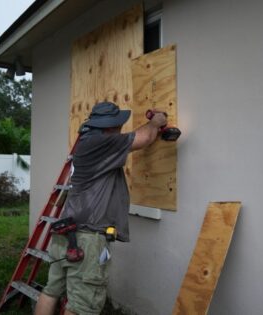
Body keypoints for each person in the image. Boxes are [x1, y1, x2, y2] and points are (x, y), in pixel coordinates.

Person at [35, 102, 167, 315]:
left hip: (65, 233)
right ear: (108, 127)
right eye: (117, 125)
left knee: (51, 290)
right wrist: (156, 121)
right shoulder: (102, 142)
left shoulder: (85, 142)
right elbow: (145, 138)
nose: (120, 129)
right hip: (86, 240)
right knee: (82, 305)